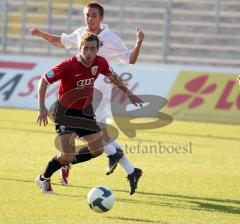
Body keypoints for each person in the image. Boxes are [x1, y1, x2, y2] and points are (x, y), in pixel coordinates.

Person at [31, 2, 144, 195]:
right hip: (65, 113)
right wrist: (41, 107)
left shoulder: (100, 60)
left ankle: (66, 162)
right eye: (86, 49)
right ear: (80, 47)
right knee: (67, 154)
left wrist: (130, 94)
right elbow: (44, 80)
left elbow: (114, 76)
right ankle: (43, 179)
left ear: (98, 48)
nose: (90, 52)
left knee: (97, 149)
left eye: (93, 49)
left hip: (86, 110)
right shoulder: (68, 64)